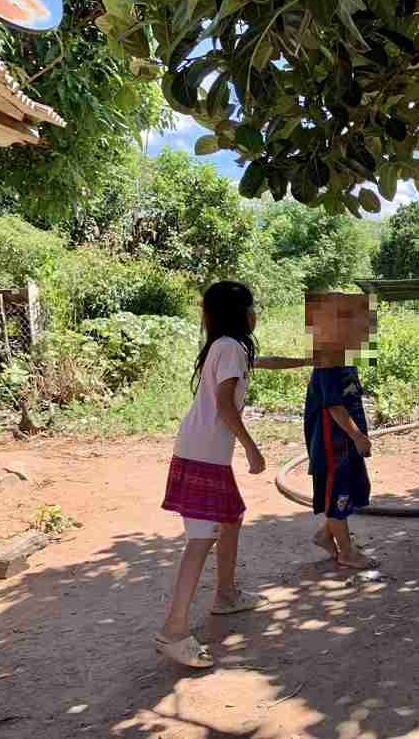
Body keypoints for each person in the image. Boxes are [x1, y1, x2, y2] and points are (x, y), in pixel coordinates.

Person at [156, 281, 267, 669]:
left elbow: (259, 363)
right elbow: (224, 405)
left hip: (200, 449)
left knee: (231, 517)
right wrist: (252, 447)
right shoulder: (231, 348)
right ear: (241, 313)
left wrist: (307, 361)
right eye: (252, 307)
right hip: (205, 455)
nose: (255, 313)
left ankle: (226, 595)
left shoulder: (225, 346)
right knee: (200, 540)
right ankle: (174, 631)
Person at [304, 292, 378, 570]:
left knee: (351, 489)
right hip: (333, 445)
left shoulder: (342, 356)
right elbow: (334, 406)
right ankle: (346, 552)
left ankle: (326, 535)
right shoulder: (328, 360)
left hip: (346, 441)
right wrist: (357, 436)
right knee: (338, 494)